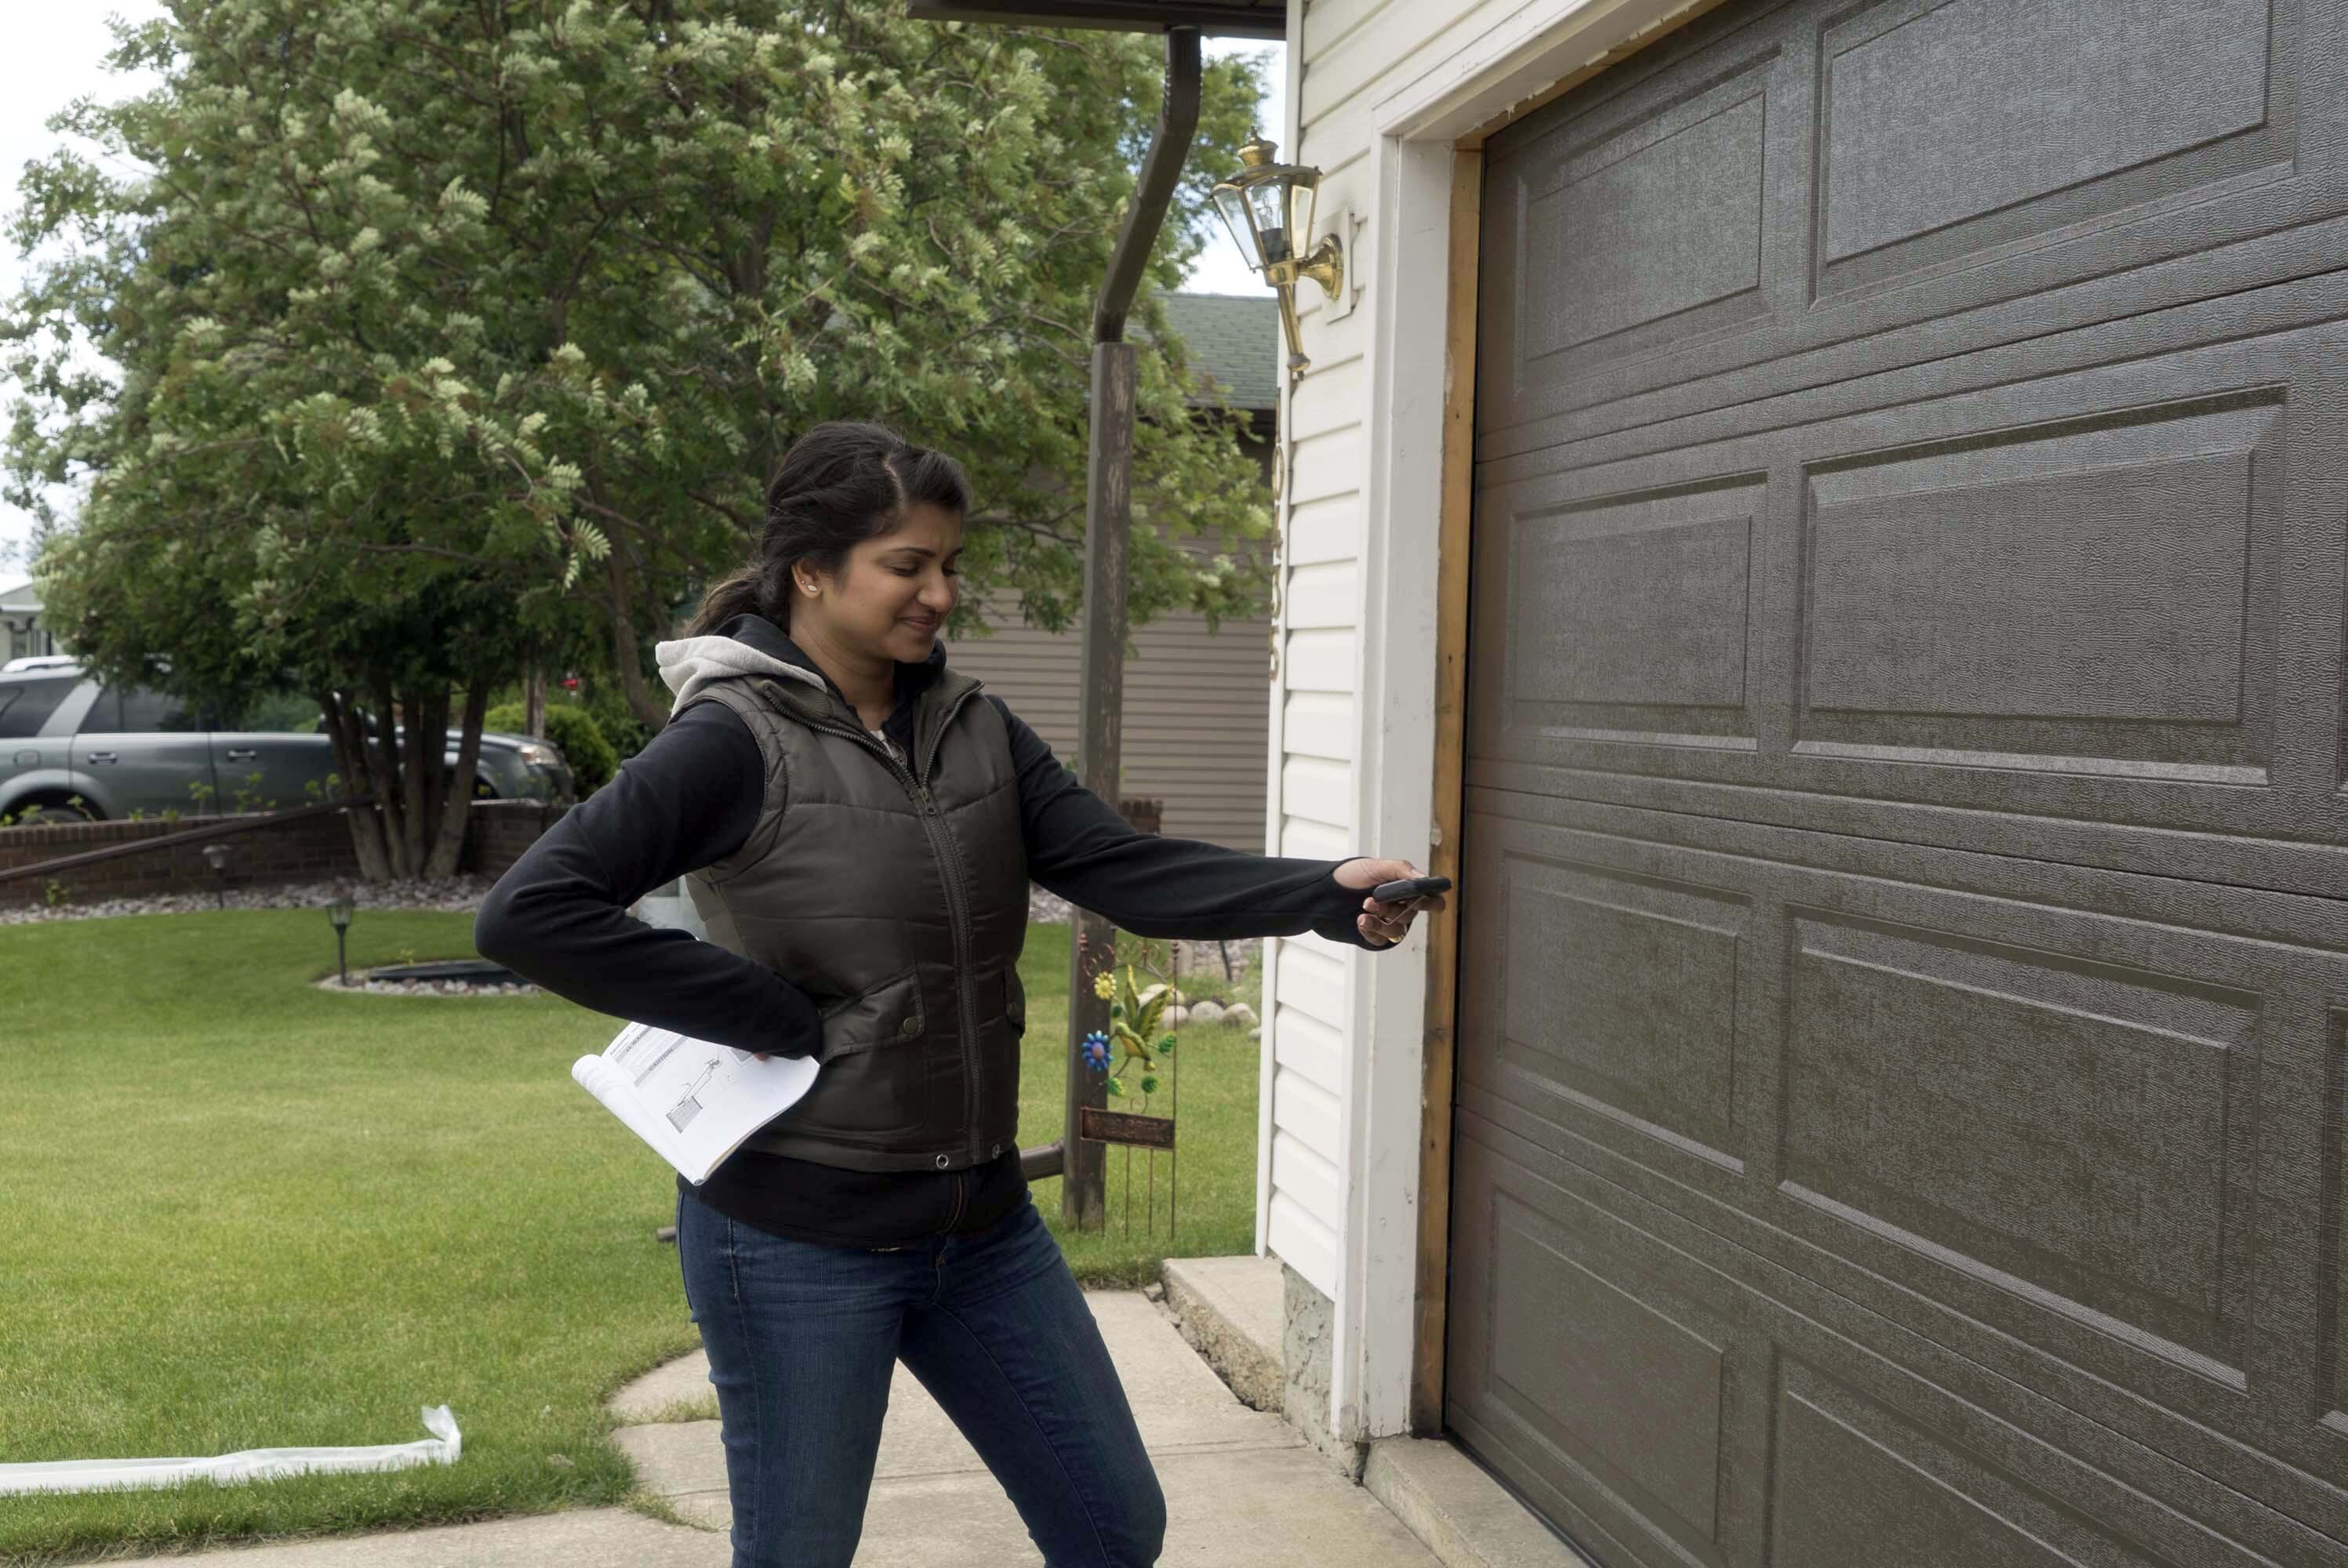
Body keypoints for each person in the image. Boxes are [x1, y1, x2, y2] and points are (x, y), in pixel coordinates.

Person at [471, 420, 1444, 1568]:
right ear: (812, 571)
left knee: (1110, 1525)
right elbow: (529, 914)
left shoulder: (972, 727)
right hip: (795, 1234)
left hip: (979, 1227)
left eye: (949, 568)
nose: (938, 594)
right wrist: (772, 1015)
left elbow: (1116, 867)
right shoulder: (732, 738)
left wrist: (1320, 893)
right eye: (906, 566)